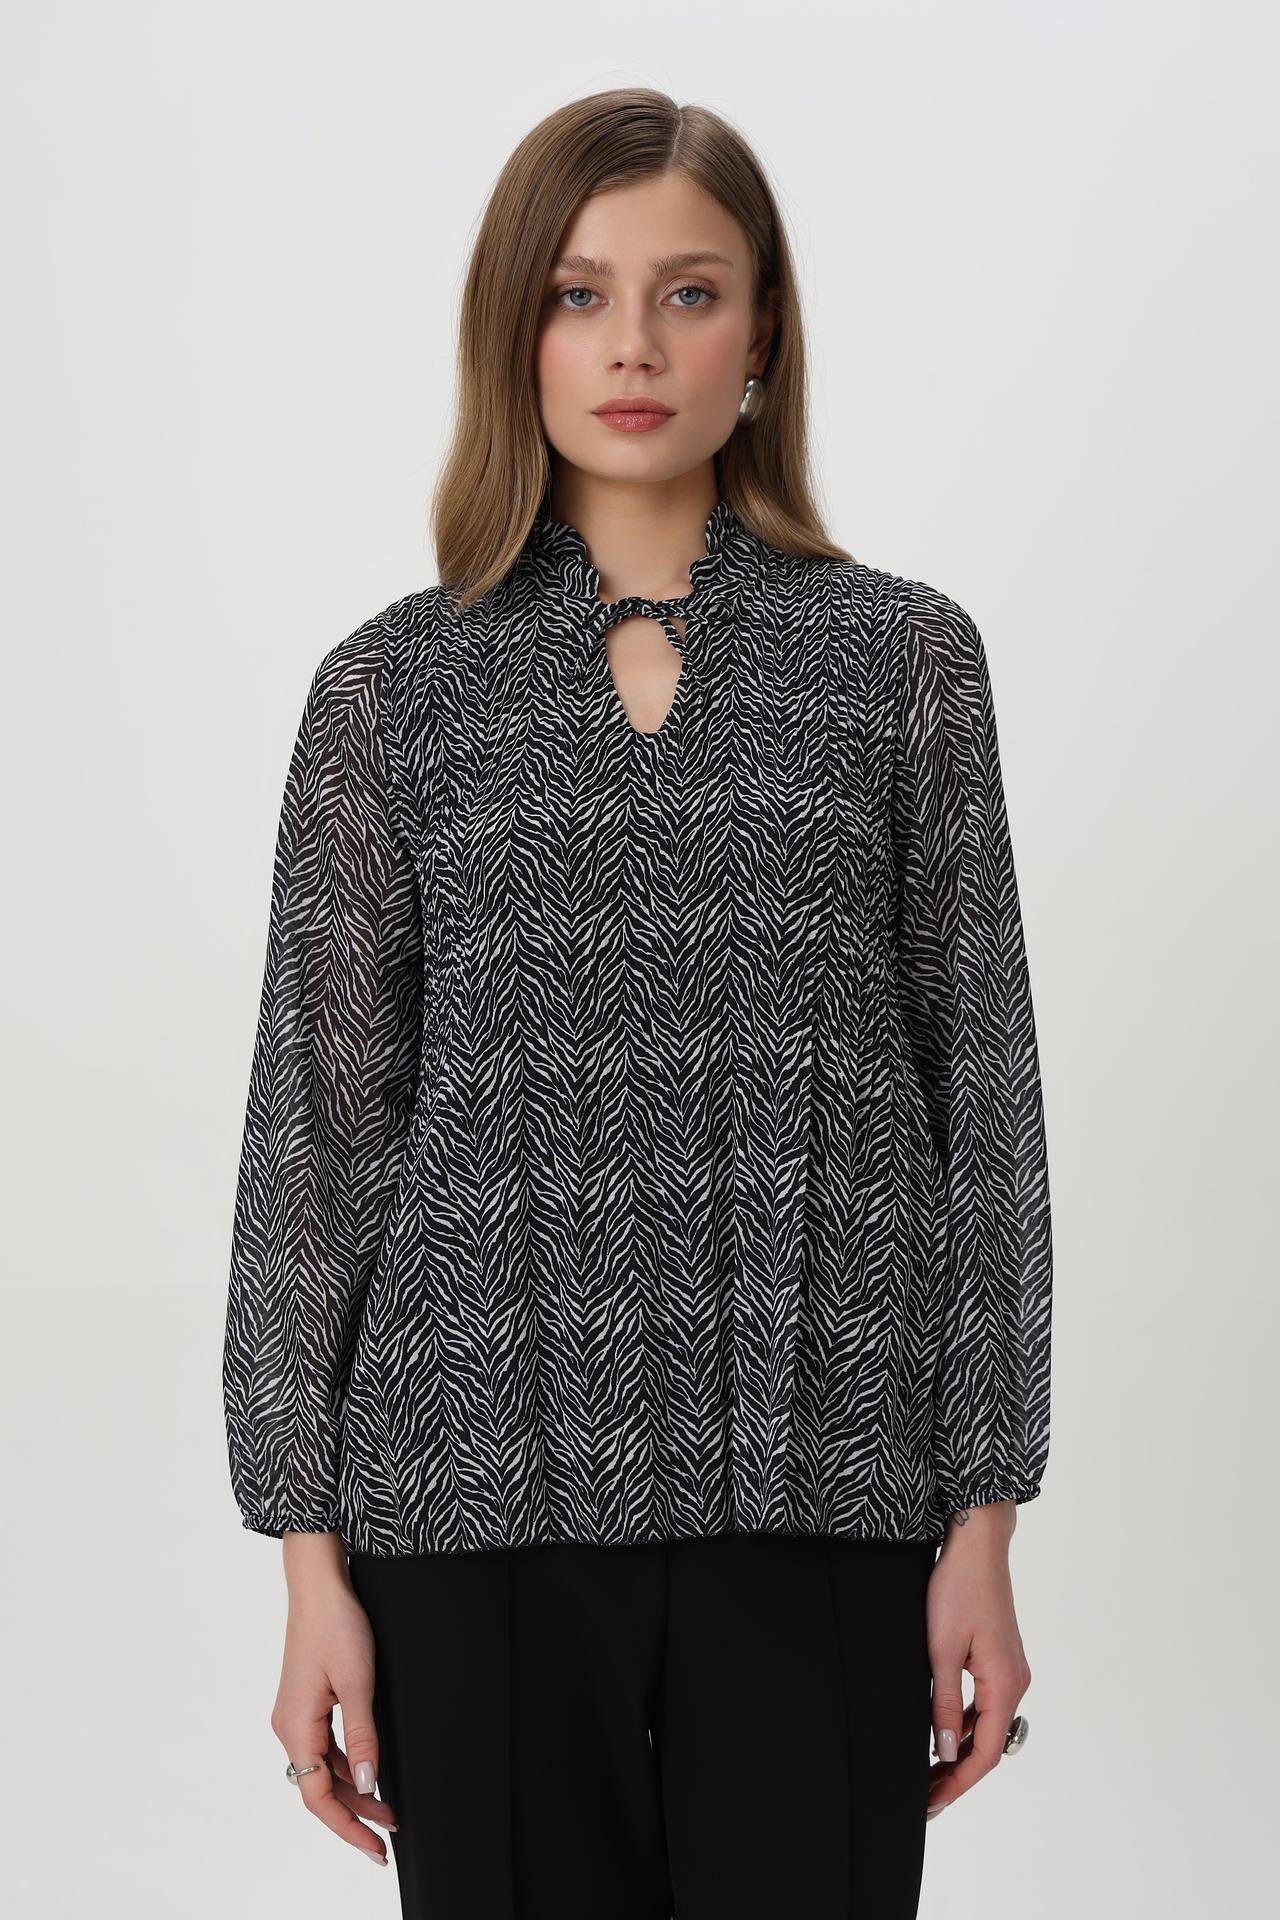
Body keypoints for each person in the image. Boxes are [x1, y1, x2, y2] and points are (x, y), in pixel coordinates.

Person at [221, 88, 1053, 1920]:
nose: (633, 346)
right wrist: (307, 1567)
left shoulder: (903, 664)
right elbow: (319, 1147)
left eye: (689, 292)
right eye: (580, 294)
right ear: (514, 331)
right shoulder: (391, 692)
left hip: (827, 1483)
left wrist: (986, 1519)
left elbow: (982, 1106)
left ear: (761, 335)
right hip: (473, 1504)